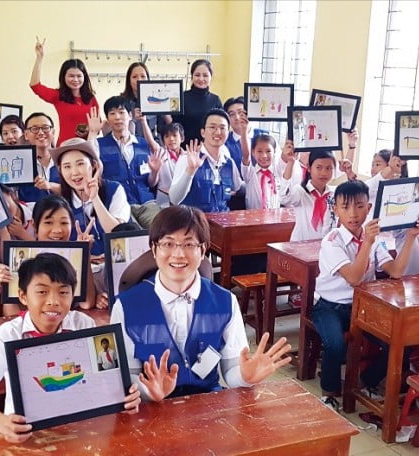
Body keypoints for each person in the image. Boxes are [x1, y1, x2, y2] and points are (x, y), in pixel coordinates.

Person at [111, 206, 291, 400]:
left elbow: (231, 370)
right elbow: (128, 374)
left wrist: (245, 377)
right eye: (168, 244)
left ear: (203, 249)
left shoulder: (224, 301)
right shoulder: (126, 307)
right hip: (154, 409)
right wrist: (149, 392)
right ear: (154, 249)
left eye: (189, 244)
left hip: (207, 405)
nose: (178, 254)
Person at [0, 253, 141, 441]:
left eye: (63, 292)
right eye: (42, 292)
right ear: (23, 296)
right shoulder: (8, 335)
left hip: (81, 430)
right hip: (28, 434)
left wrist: (125, 396)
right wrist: (3, 424)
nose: (53, 301)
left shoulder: (83, 325)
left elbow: (107, 379)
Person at [312, 180, 419, 410]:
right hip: (330, 306)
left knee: (398, 343)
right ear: (336, 210)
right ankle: (330, 391)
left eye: (360, 206)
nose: (353, 214)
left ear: (369, 207)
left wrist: (410, 237)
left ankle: (363, 383)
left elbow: (396, 271)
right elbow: (353, 278)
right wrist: (367, 242)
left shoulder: (375, 238)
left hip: (363, 306)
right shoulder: (332, 241)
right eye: (346, 207)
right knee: (334, 346)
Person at [0, 195, 96, 316]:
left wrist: (84, 254)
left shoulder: (74, 257)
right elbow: (11, 315)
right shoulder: (21, 259)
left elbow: (87, 303)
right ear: (34, 225)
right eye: (48, 222)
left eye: (64, 222)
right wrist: (6, 285)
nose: (57, 230)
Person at [52, 138, 130, 256]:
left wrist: (95, 198)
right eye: (67, 167)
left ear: (94, 165)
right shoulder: (61, 203)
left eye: (80, 164)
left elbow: (117, 235)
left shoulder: (114, 190)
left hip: (119, 262)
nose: (74, 172)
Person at [169, 109, 242, 213]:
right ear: (202, 132)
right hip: (194, 224)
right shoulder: (187, 158)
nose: (218, 132)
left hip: (223, 224)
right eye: (212, 127)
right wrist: (190, 171)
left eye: (222, 128)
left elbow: (239, 187)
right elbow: (174, 199)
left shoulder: (229, 163)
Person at [29, 37, 99, 145]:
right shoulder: (58, 96)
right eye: (71, 76)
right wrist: (39, 58)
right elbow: (35, 86)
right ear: (64, 77)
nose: (75, 80)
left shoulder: (90, 98)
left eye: (79, 76)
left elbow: (97, 127)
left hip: (87, 146)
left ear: (84, 77)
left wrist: (88, 131)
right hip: (65, 146)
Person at [94, 96, 158, 205]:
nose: (117, 117)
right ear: (107, 119)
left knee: (162, 221)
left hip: (146, 201)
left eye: (121, 112)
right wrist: (92, 132)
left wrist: (155, 171)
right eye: (112, 113)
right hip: (119, 203)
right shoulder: (100, 145)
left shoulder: (142, 144)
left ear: (130, 115)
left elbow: (151, 183)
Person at [280, 146, 338, 241]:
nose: (324, 173)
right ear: (309, 168)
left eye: (328, 168)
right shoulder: (300, 191)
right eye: (319, 167)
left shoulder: (335, 193)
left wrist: (349, 174)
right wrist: (290, 162)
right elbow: (284, 198)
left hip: (326, 248)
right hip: (301, 247)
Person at [171, 59, 223, 145]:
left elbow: (221, 127)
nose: (201, 79)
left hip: (209, 149)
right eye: (197, 75)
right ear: (192, 76)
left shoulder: (216, 100)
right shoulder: (181, 98)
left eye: (205, 75)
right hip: (184, 149)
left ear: (211, 77)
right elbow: (174, 125)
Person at [18, 112, 61, 206]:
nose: (41, 133)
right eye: (35, 129)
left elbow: (75, 192)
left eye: (45, 128)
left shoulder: (64, 160)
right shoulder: (20, 164)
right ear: (26, 135)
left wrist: (50, 186)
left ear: (53, 132)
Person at [241, 133, 284, 209]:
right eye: (259, 151)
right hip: (253, 218)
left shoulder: (278, 171)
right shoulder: (250, 173)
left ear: (274, 152)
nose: (264, 155)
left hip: (274, 218)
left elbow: (285, 158)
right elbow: (246, 155)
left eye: (268, 151)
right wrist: (244, 130)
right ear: (253, 152)